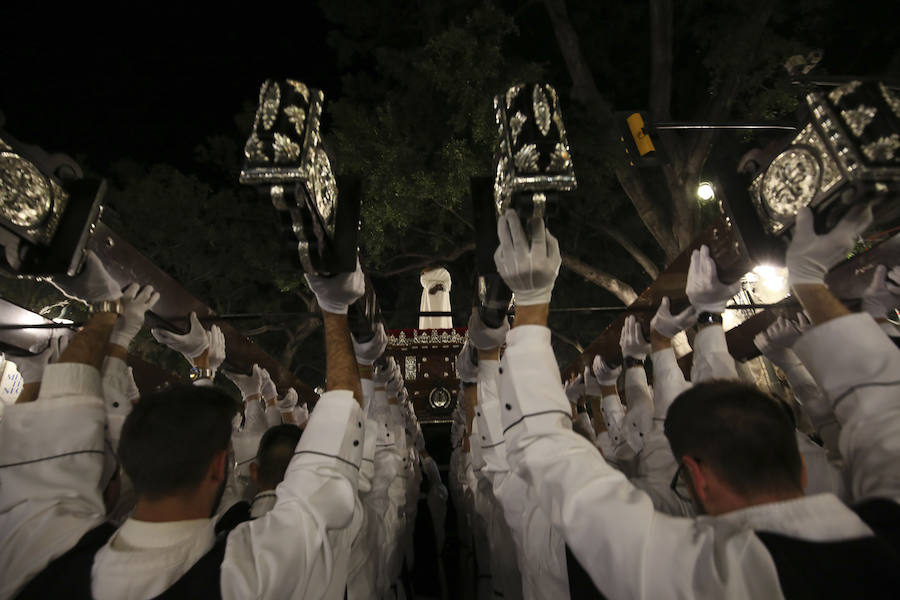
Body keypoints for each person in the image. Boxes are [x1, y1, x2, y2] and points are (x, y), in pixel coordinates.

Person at [490, 206, 900, 598]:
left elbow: (879, 409)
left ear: (695, 478)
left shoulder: (699, 577)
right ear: (802, 468)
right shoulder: (885, 534)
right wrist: (533, 301)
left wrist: (808, 280)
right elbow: (548, 449)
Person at [0, 257, 368, 599]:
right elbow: (62, 429)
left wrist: (334, 309)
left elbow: (62, 432)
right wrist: (106, 313)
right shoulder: (250, 574)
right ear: (219, 466)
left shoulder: (47, 555)